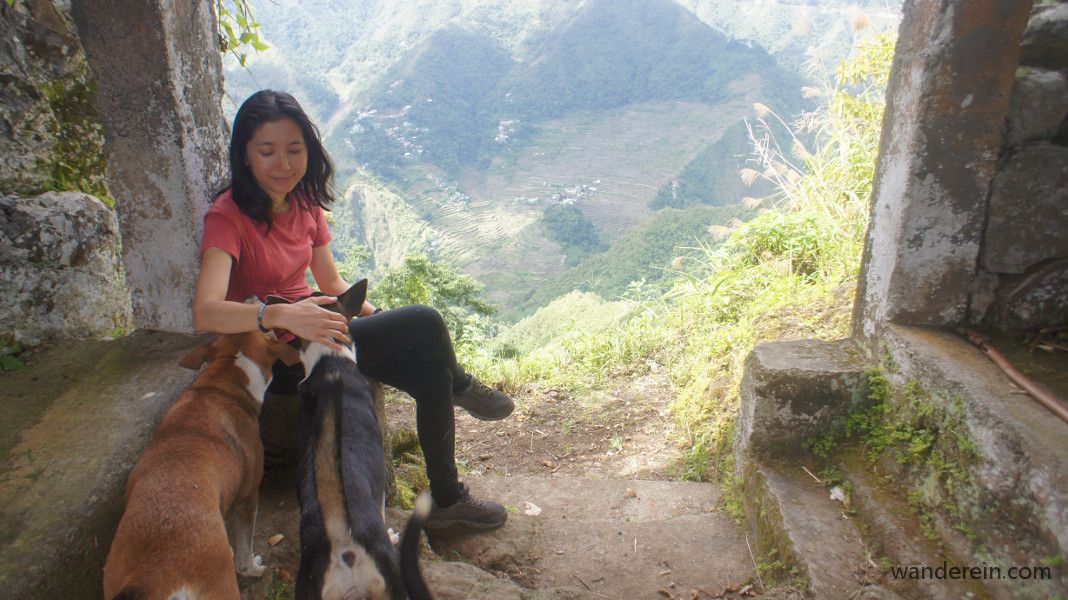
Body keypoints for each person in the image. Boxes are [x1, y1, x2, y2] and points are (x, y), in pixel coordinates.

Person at [192, 89, 514, 529]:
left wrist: (376, 317)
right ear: (244, 156)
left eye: (294, 150)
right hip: (281, 356)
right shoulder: (227, 217)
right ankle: (464, 386)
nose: (283, 164)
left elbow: (331, 284)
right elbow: (206, 311)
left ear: (309, 151)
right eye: (267, 151)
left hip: (326, 329)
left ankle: (447, 499)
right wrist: (280, 314)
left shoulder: (303, 204)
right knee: (426, 319)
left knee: (430, 375)